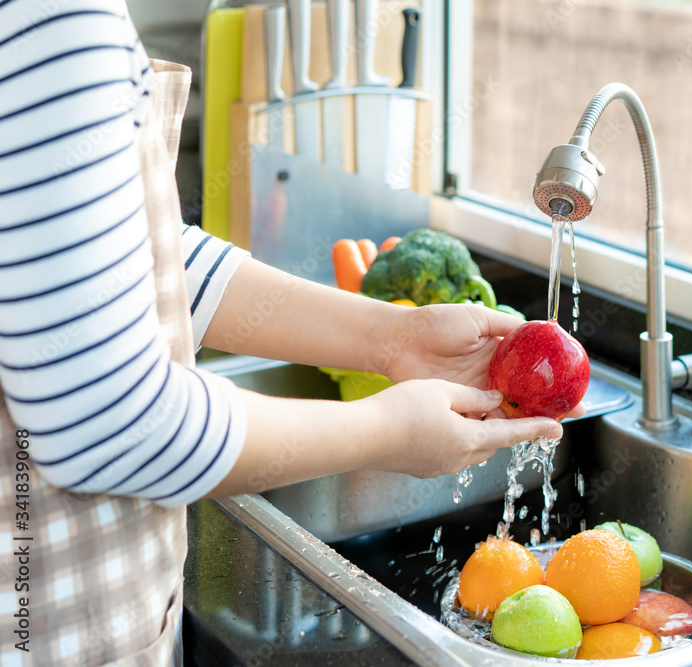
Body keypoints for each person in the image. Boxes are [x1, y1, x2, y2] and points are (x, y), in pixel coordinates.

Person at [0, 2, 579, 664]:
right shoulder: (53, 17)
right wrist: (386, 431)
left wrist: (392, 337)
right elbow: (113, 421)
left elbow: (113, 256)